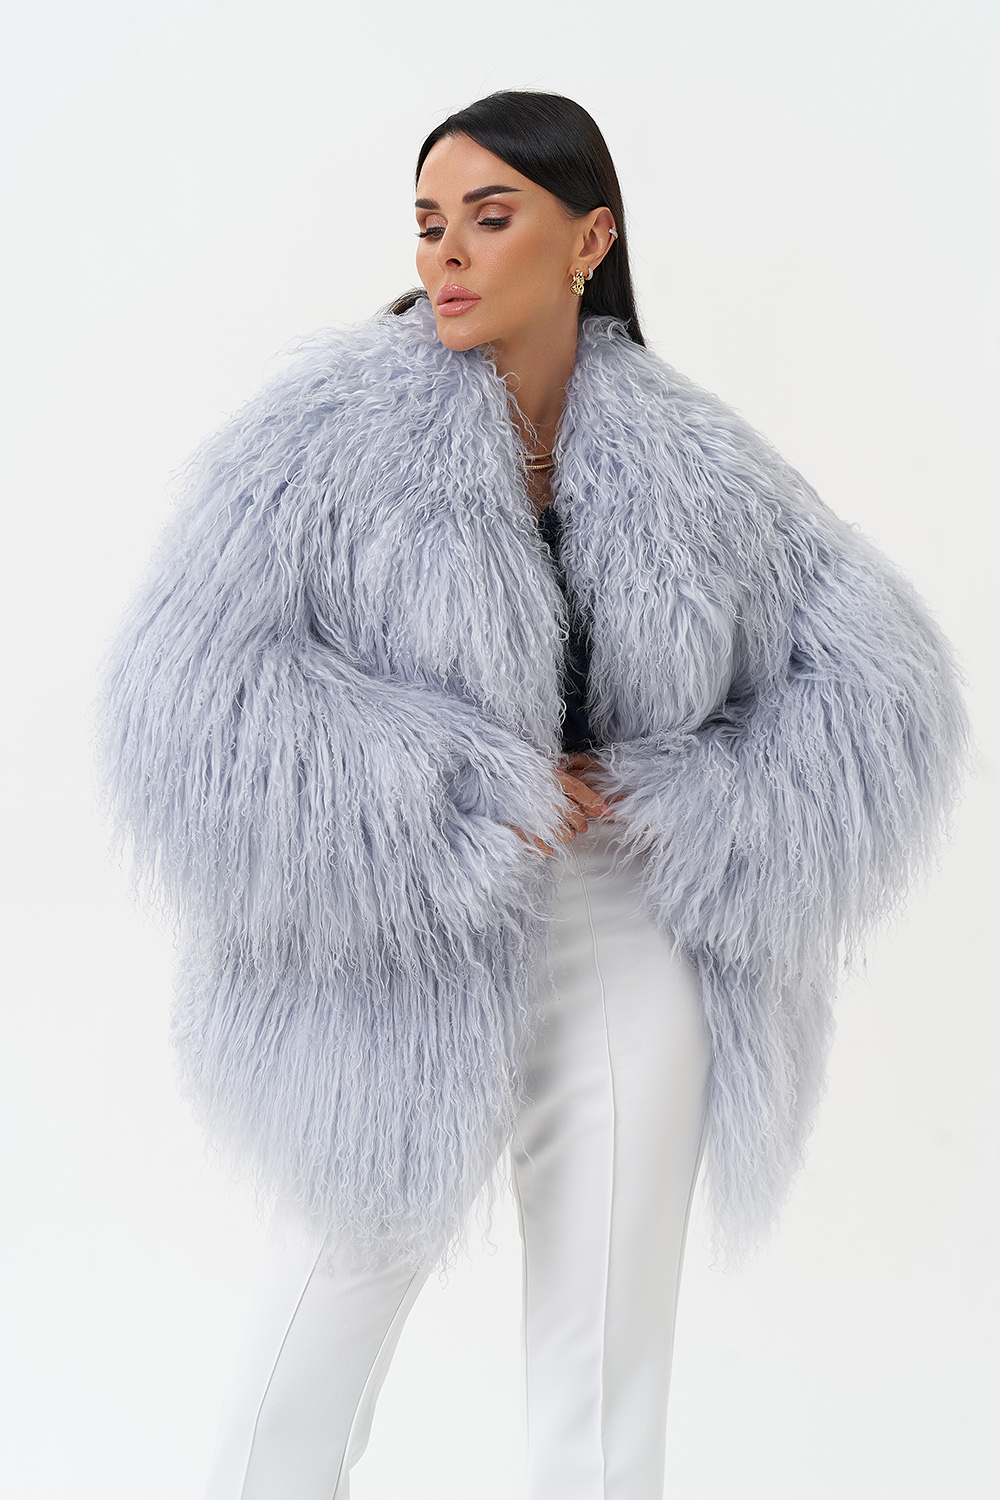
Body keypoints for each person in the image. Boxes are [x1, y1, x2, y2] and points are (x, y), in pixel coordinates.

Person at [95, 91, 970, 1500]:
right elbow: (186, 691)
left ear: (589, 240)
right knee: (302, 1364)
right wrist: (451, 793)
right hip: (400, 936)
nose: (445, 254)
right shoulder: (324, 439)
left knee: (603, 1388)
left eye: (490, 218)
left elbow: (883, 683)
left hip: (621, 925)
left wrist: (693, 798)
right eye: (428, 223)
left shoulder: (697, 461)